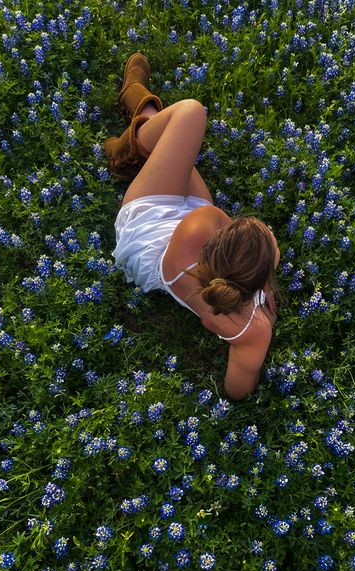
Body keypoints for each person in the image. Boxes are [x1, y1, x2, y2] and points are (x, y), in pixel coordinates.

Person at [104, 54, 280, 400]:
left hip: (151, 226)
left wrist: (262, 259)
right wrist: (264, 313)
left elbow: (218, 219)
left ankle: (125, 144)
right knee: (175, 146)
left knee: (190, 115)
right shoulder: (251, 330)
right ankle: (140, 113)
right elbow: (237, 391)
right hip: (188, 253)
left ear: (219, 239)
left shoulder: (202, 225)